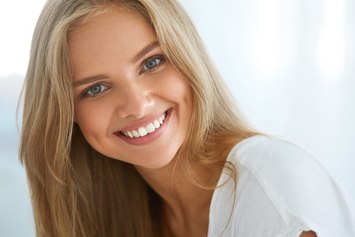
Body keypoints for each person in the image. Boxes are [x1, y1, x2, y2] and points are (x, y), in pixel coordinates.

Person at [19, 0, 355, 236]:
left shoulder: (272, 189)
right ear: (66, 114)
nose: (136, 105)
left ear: (188, 57)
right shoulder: (110, 208)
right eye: (96, 89)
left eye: (151, 63)